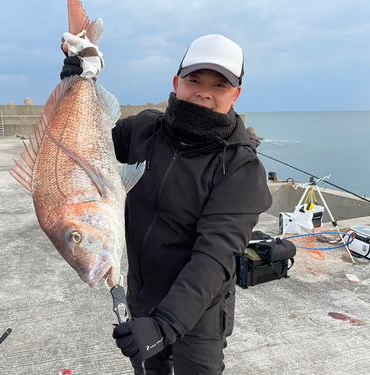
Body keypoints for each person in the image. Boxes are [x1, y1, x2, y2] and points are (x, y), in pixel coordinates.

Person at [61, 34, 272, 374]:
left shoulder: (240, 169)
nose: (205, 92)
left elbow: (214, 257)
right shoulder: (144, 129)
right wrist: (77, 81)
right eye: (194, 80)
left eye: (220, 84)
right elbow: (81, 148)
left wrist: (165, 325)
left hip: (200, 316)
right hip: (141, 300)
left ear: (236, 94)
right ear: (177, 82)